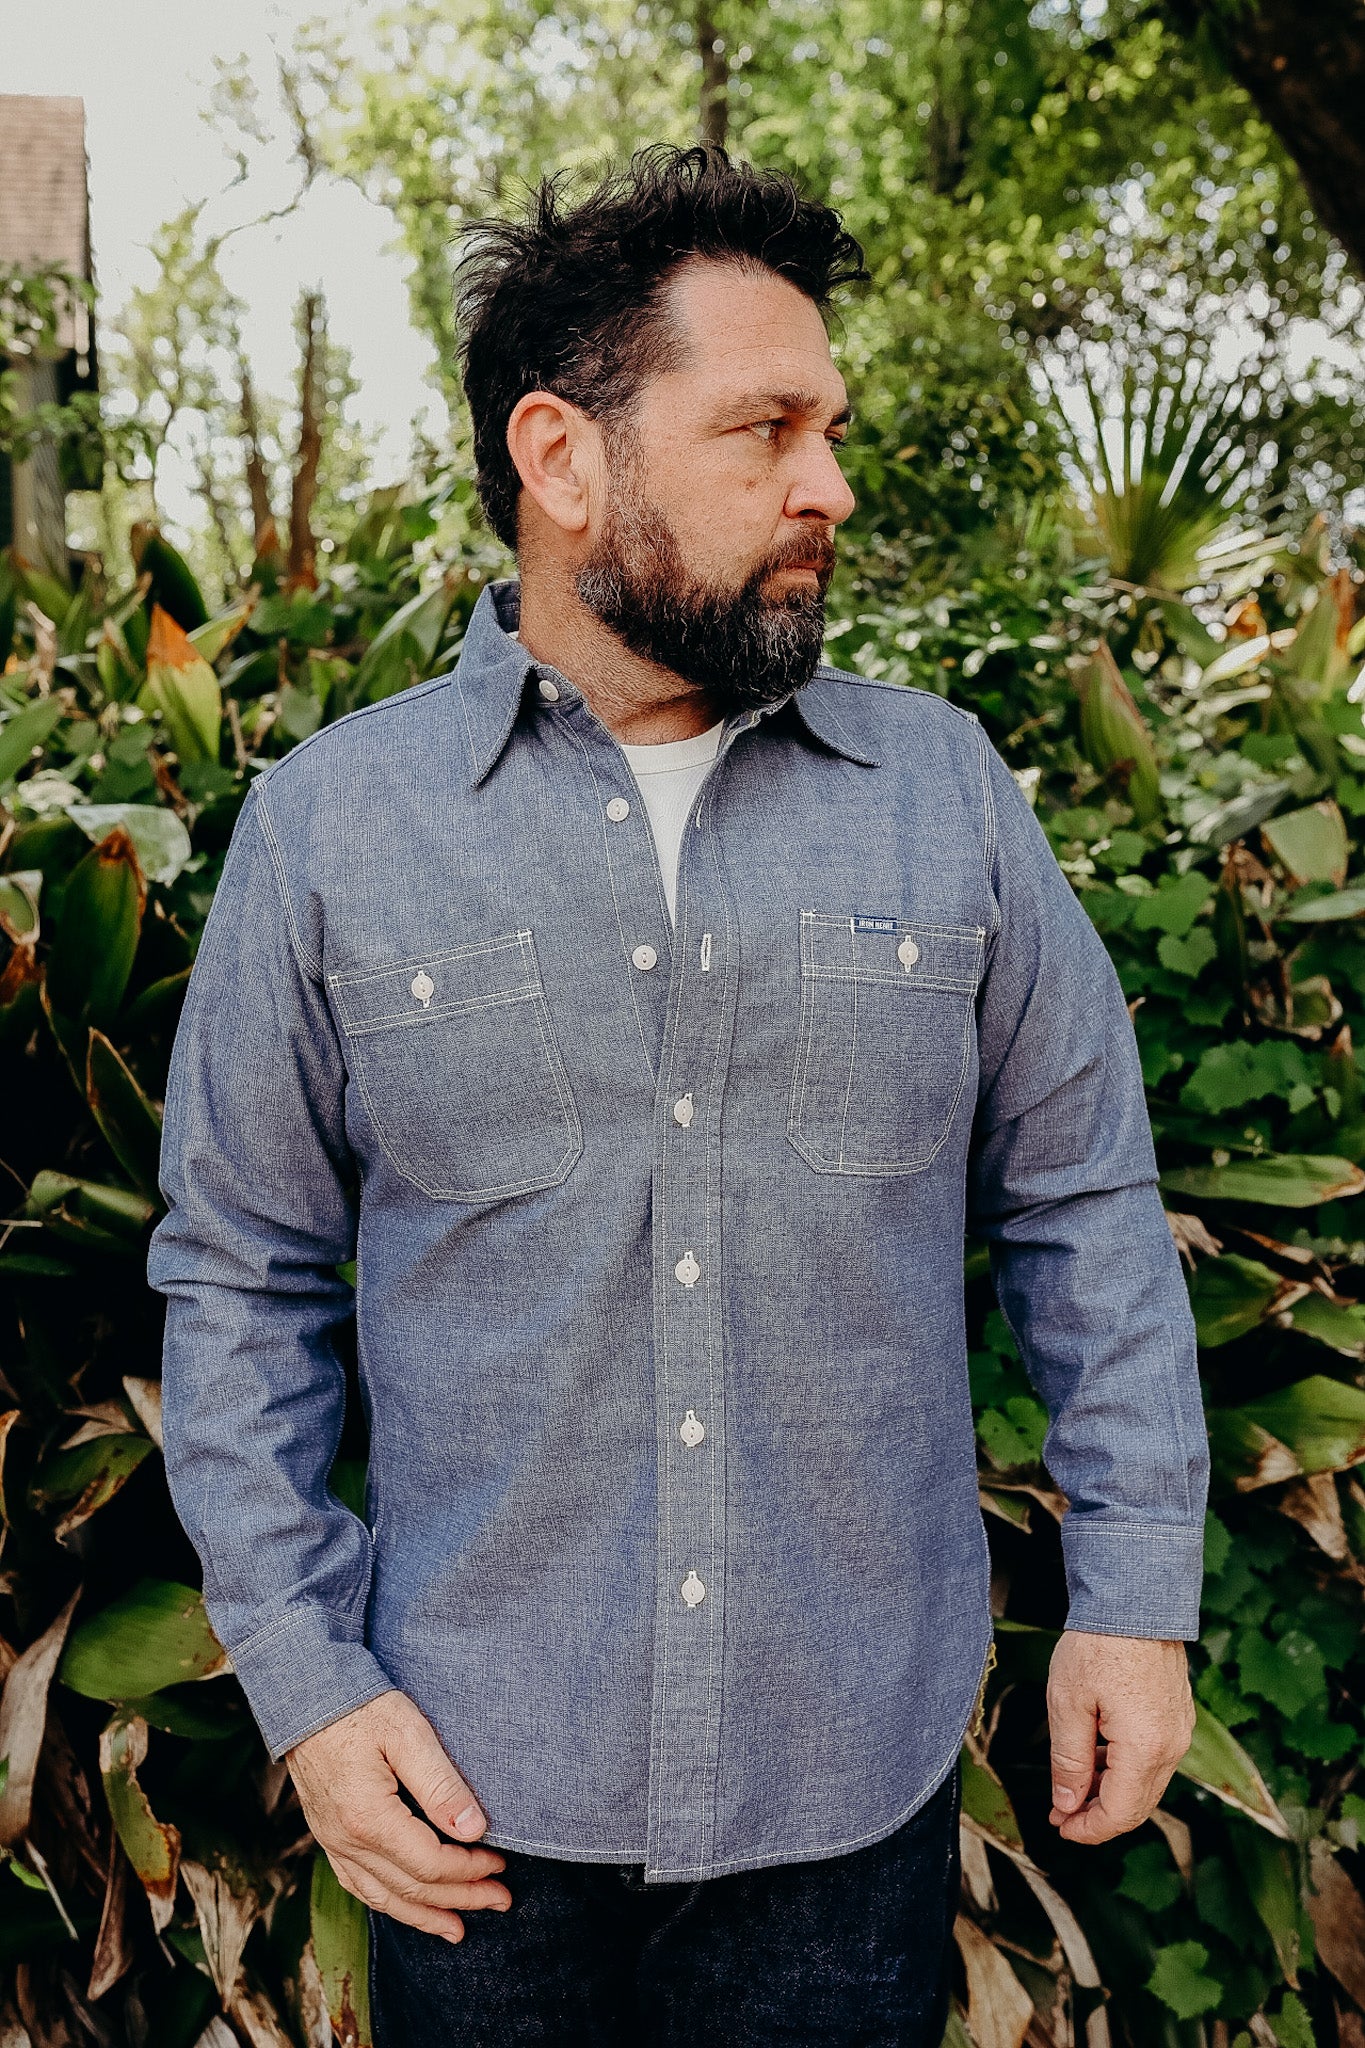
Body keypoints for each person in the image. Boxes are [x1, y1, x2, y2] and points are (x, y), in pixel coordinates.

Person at [149, 143, 1207, 2046]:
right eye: (763, 431)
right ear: (562, 461)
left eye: (832, 427)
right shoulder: (329, 835)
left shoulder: (943, 794)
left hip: (843, 1791)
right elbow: (238, 1280)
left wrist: (1133, 1592)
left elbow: (1081, 1202)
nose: (830, 484)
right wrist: (307, 1689)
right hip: (469, 1802)